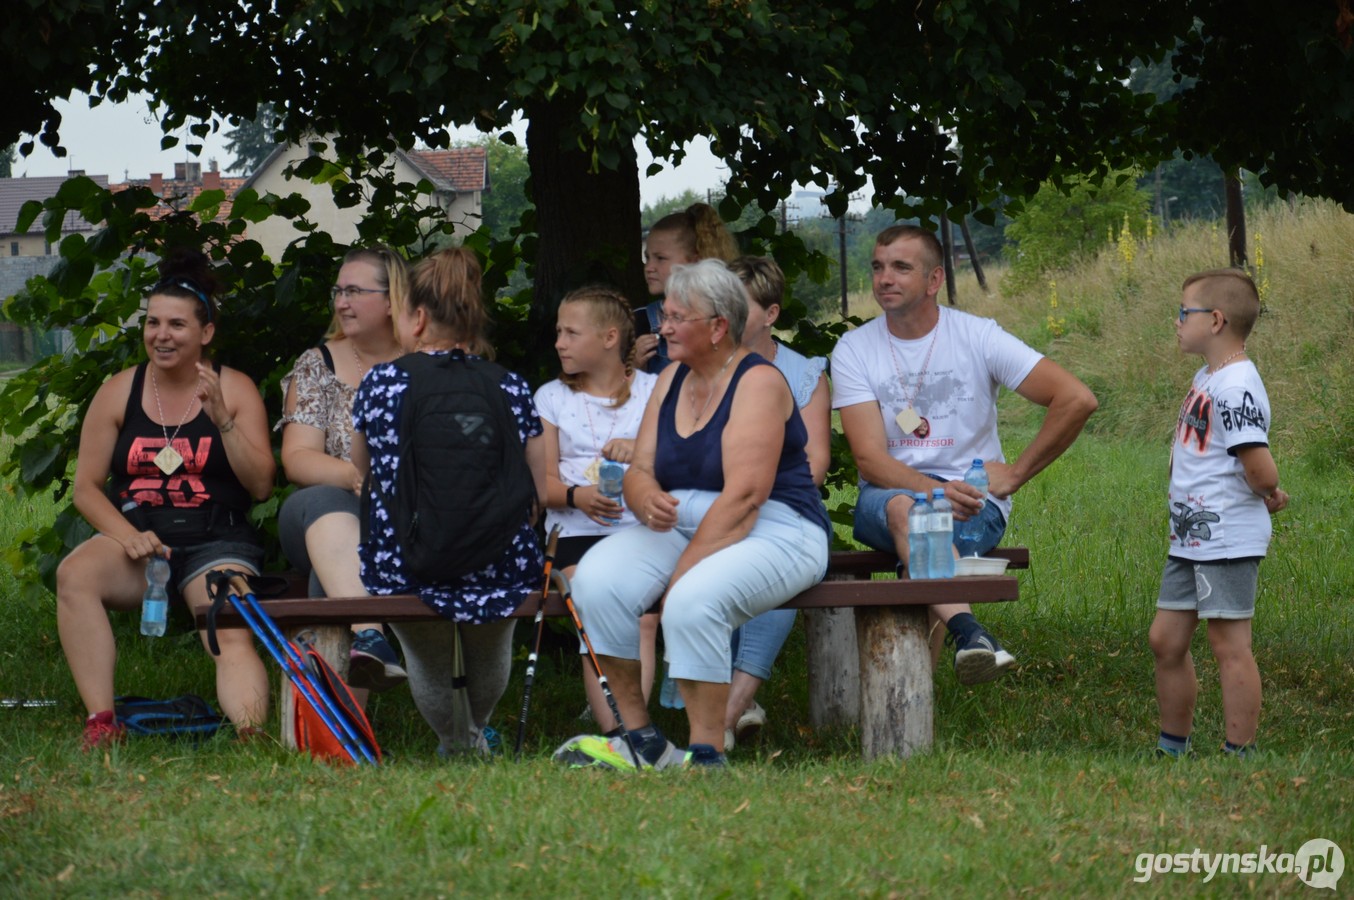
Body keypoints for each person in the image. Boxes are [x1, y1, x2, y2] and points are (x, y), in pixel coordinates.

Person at [555, 259, 830, 770]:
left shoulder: (759, 382)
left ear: (718, 327)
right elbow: (640, 466)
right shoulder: (670, 378)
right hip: (684, 517)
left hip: (779, 525)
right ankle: (640, 741)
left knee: (693, 600)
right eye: (666, 315)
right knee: (594, 581)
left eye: (678, 317)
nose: (663, 327)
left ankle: (707, 754)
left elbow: (746, 498)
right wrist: (642, 497)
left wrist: (679, 578)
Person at [831, 224, 1097, 684]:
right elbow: (870, 460)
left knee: (921, 535)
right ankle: (970, 631)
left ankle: (922, 694)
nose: (884, 278)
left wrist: (1013, 475)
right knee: (907, 512)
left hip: (975, 504)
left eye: (900, 267)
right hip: (888, 497)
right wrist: (937, 491)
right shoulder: (855, 348)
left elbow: (1076, 398)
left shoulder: (978, 337)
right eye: (877, 267)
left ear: (934, 280)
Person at [56, 249, 277, 750]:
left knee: (227, 623)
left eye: (177, 324)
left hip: (215, 540)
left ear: (206, 333)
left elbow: (261, 484)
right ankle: (102, 721)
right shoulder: (119, 392)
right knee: (75, 575)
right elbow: (86, 488)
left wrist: (221, 417)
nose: (161, 335)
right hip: (139, 539)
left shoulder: (235, 388)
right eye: (153, 323)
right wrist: (128, 536)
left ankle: (251, 735)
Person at [351, 247, 545, 756]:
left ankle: (457, 747)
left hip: (409, 561)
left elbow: (361, 467)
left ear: (417, 317)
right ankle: (470, 743)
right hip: (498, 558)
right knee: (488, 657)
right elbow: (539, 485)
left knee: (432, 663)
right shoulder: (509, 385)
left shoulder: (382, 383)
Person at [1149, 269, 1288, 759]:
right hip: (1189, 537)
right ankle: (1172, 747)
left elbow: (1258, 463)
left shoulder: (1236, 387)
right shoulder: (1208, 377)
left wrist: (1270, 490)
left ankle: (1239, 752)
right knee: (1165, 640)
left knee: (1229, 644)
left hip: (1225, 537)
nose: (1176, 321)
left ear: (1215, 320)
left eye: (1183, 313)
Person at [276, 246, 408, 692]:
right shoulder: (319, 363)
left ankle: (346, 738)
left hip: (405, 521)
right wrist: (356, 479)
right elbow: (297, 458)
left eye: (354, 291)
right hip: (322, 514)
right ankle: (371, 633)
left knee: (328, 576)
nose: (341, 302)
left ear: (392, 301)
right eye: (339, 290)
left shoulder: (424, 361)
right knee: (327, 503)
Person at [534, 285, 659, 729]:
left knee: (643, 618)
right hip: (574, 535)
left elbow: (684, 466)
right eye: (558, 331)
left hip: (641, 531)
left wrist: (642, 453)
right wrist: (575, 497)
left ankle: (630, 728)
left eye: (570, 332)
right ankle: (619, 733)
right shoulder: (551, 397)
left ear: (609, 338)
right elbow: (540, 484)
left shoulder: (656, 391)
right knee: (595, 601)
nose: (559, 342)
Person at [721, 256, 830, 750]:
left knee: (773, 555)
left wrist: (751, 503)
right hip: (721, 510)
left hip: (789, 510)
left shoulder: (803, 373)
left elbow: (816, 464)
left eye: (737, 307)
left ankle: (729, 709)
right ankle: (735, 703)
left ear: (771, 314)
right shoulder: (702, 369)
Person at [636, 202, 740, 374]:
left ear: (695, 261)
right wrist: (634, 369)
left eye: (660, 258)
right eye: (647, 258)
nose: (649, 267)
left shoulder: (729, 319)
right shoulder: (637, 322)